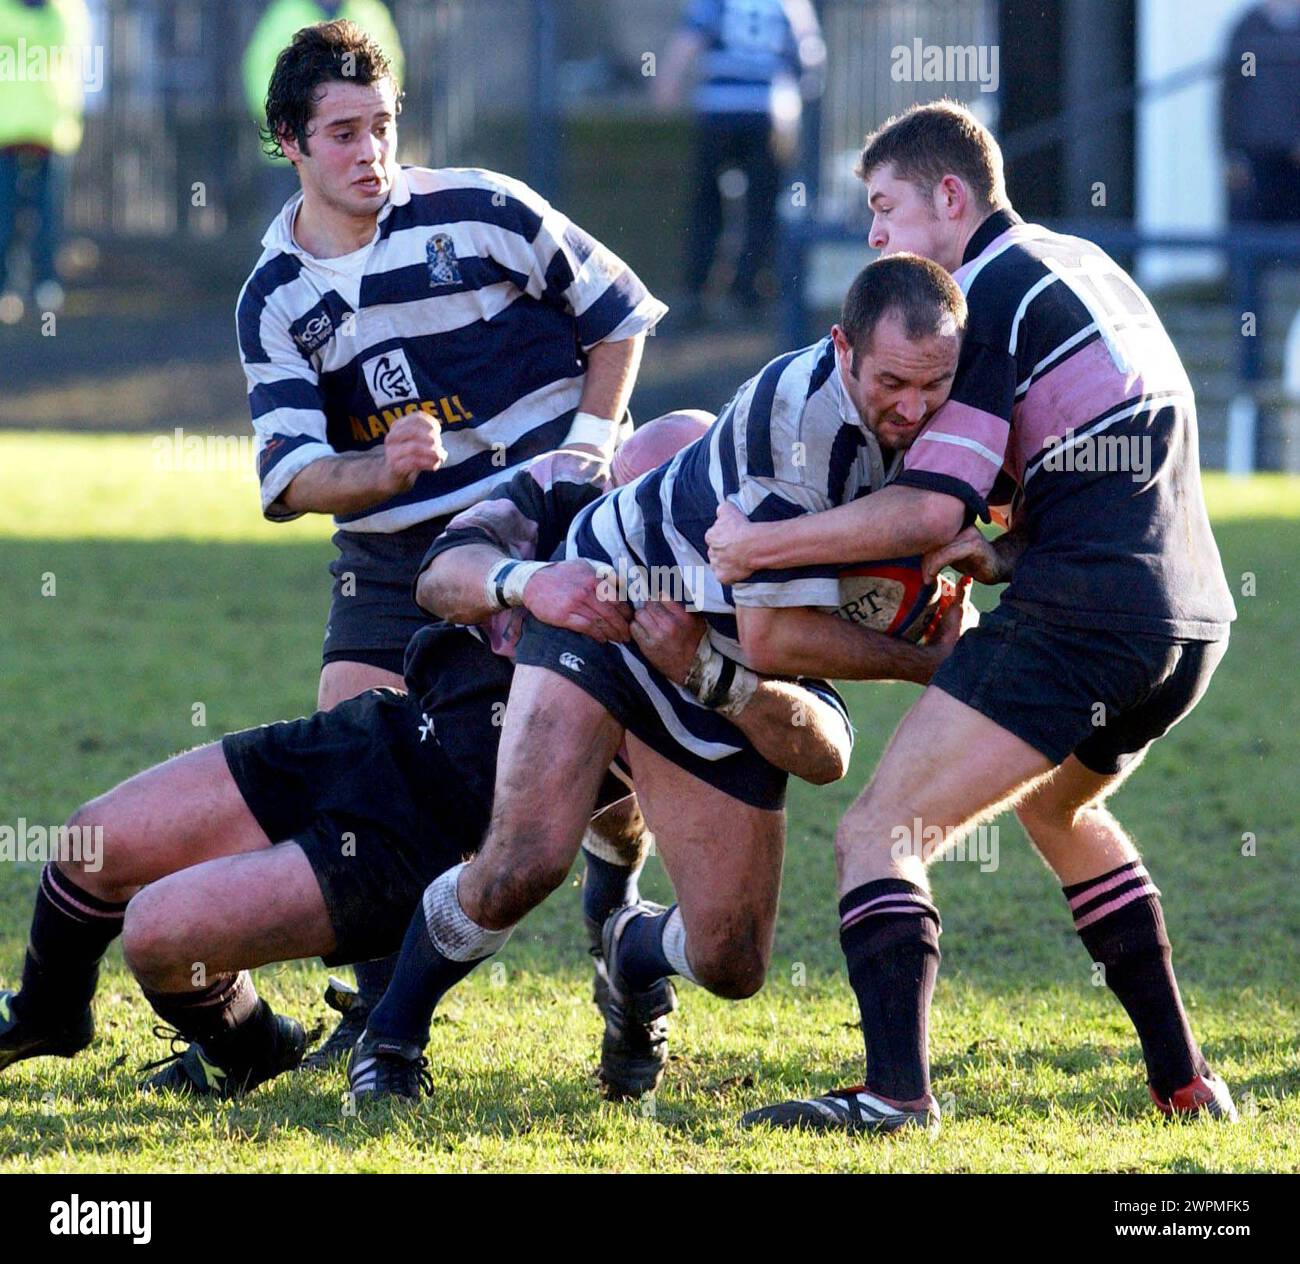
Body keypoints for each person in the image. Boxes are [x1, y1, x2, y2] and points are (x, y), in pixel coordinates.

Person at [0, 414, 852, 1101]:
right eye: (625, 483)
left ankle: (253, 1046)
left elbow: (799, 748)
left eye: (656, 499)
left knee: (158, 934)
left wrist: (708, 676)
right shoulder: (571, 486)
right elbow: (441, 575)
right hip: (377, 733)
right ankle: (47, 1014)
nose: (626, 517)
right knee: (90, 842)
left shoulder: (738, 597)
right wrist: (526, 582)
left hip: (423, 832)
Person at [705, 101, 1239, 1134]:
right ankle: (1185, 1083)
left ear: (950, 196)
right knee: (1060, 810)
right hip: (1190, 615)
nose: (875, 237)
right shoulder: (1078, 261)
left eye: (885, 206)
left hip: (1085, 619)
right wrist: (1006, 552)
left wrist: (757, 546)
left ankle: (895, 1096)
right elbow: (1114, 452)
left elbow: (925, 509)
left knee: (877, 829)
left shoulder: (980, 295)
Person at [346, 254, 977, 1108]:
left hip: (726, 655)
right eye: (893, 382)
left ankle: (628, 947)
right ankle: (390, 1037)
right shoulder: (797, 438)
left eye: (932, 385)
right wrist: (924, 660)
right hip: (615, 608)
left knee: (732, 960)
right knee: (524, 863)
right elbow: (777, 630)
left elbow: (797, 701)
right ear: (843, 350)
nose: (913, 407)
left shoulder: (950, 406)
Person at [237, 19, 665, 1055]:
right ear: (289, 142)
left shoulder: (480, 208)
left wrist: (590, 450)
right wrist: (377, 470)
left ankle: (613, 896)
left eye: (381, 127)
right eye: (341, 133)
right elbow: (293, 480)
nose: (369, 152)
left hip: (546, 517)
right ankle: (382, 1016)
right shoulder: (274, 297)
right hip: (392, 554)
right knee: (357, 763)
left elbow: (618, 311)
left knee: (602, 752)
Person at [654, 0, 824, 323]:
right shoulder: (789, 3)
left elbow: (688, 42)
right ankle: (748, 293)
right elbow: (808, 54)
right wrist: (798, 97)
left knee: (707, 205)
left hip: (717, 112)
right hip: (766, 115)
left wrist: (666, 87)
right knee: (761, 206)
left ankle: (696, 292)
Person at [0, 0, 91, 324]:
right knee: (6, 215)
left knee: (47, 214)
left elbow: (65, 37)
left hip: (51, 129)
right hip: (8, 130)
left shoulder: (64, 8)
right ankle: (7, 288)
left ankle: (45, 284)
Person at [1222, 0, 1300, 226]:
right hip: (1254, 157)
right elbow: (1232, 94)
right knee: (1248, 237)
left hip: (1294, 157)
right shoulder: (1248, 28)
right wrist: (1232, 154)